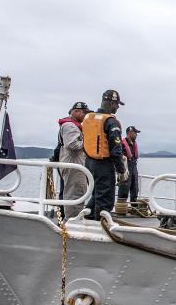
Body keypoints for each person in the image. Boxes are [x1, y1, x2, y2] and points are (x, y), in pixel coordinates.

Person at [83, 90, 127, 220]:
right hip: (103, 165)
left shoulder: (89, 119)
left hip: (89, 163)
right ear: (112, 103)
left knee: (96, 194)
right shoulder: (110, 122)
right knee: (105, 199)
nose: (117, 107)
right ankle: (100, 225)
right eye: (117, 104)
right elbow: (116, 149)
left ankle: (88, 218)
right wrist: (121, 170)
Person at [58, 101, 90, 219]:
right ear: (76, 111)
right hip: (73, 164)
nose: (86, 116)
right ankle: (71, 221)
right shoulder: (69, 126)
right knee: (74, 193)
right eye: (84, 113)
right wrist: (89, 142)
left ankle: (74, 219)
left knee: (78, 192)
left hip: (76, 163)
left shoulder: (74, 126)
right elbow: (72, 144)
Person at [117, 126, 141, 203]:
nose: (136, 135)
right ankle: (121, 207)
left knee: (135, 189)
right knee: (124, 189)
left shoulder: (134, 144)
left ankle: (134, 207)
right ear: (129, 133)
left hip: (134, 168)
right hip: (125, 169)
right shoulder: (122, 144)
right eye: (135, 133)